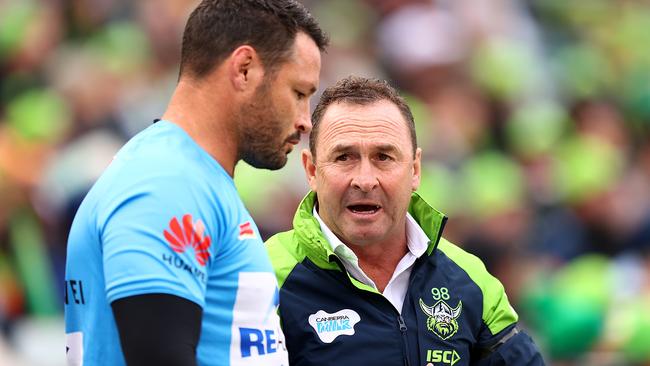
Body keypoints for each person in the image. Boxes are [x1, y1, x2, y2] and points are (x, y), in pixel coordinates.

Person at [64, 1, 327, 365]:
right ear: (245, 69)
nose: (305, 121)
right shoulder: (166, 182)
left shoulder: (190, 176)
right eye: (299, 93)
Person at [266, 76, 544, 365]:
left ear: (414, 170)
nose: (364, 180)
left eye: (383, 157)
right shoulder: (263, 276)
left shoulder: (469, 278)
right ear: (311, 170)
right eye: (344, 157)